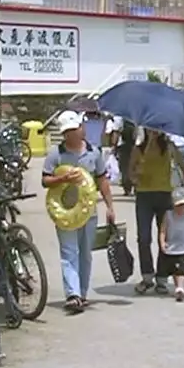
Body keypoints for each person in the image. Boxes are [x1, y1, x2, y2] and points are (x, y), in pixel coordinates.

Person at [42, 110, 116, 314]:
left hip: (88, 212)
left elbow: (102, 179)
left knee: (85, 254)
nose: (71, 134)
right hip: (64, 211)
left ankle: (82, 293)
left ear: (80, 129)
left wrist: (110, 206)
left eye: (74, 130)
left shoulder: (94, 152)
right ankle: (72, 294)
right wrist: (63, 179)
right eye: (68, 131)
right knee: (68, 252)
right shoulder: (56, 154)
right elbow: (45, 180)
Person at [130, 129, 184, 295]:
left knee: (165, 237)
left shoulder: (169, 147)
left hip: (164, 195)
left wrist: (182, 187)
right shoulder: (139, 149)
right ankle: (147, 276)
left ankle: (162, 277)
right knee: (144, 237)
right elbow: (130, 171)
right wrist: (135, 177)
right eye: (149, 127)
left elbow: (183, 167)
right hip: (144, 195)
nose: (153, 131)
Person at [158, 187, 184, 302]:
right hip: (171, 248)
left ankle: (180, 288)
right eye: (179, 205)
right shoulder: (168, 215)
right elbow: (163, 230)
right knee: (174, 269)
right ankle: (178, 287)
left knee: (181, 269)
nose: (182, 208)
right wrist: (162, 242)